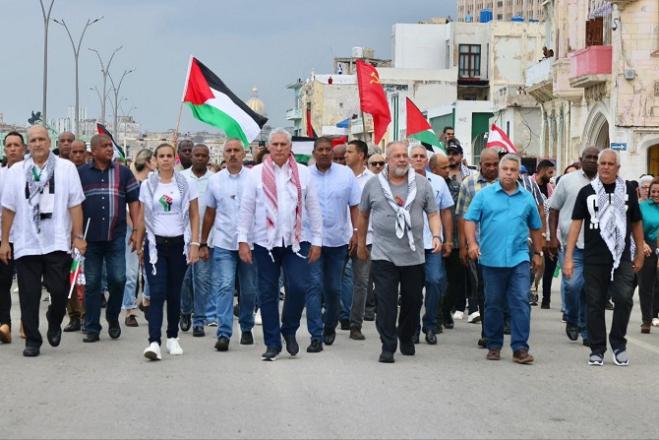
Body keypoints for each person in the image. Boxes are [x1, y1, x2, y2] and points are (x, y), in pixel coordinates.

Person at [0, 125, 86, 357]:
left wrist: (77, 237)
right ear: (29, 145)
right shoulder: (17, 171)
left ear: (50, 142)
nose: (37, 143)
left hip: (56, 241)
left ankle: (54, 319)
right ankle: (33, 340)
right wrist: (5, 241)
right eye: (33, 140)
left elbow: (75, 204)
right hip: (26, 241)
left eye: (42, 139)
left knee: (59, 290)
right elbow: (8, 209)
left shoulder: (66, 168)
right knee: (29, 294)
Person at [237, 128, 322, 361]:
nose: (279, 148)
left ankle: (289, 328)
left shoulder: (304, 174)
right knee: (267, 292)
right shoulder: (255, 174)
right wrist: (242, 240)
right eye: (275, 144)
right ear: (269, 147)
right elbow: (246, 209)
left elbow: (314, 208)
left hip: (297, 241)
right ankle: (272, 342)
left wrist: (318, 240)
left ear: (290, 146)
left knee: (298, 287)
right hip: (265, 242)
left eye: (283, 144)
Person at [357, 141, 441, 363]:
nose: (403, 159)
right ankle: (388, 344)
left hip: (413, 254)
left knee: (413, 301)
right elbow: (363, 215)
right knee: (385, 302)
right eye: (397, 156)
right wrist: (360, 243)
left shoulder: (422, 184)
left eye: (405, 155)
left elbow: (433, 213)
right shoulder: (373, 185)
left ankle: (405, 336)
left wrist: (435, 235)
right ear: (388, 160)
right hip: (383, 253)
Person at [564, 149, 644, 367]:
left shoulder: (627, 190)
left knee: (624, 298)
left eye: (611, 164)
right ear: (598, 166)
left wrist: (639, 251)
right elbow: (576, 224)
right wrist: (569, 257)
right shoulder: (587, 192)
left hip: (622, 257)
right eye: (603, 163)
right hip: (593, 257)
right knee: (594, 304)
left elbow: (636, 222)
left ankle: (618, 345)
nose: (606, 167)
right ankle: (597, 348)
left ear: (618, 168)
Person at [464, 154, 543, 364]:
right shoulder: (485, 195)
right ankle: (494, 345)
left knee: (520, 302)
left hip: (519, 258)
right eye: (505, 169)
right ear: (500, 171)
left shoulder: (526, 198)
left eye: (513, 170)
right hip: (490, 259)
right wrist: (472, 244)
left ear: (519, 173)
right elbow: (469, 220)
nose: (509, 173)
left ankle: (520, 348)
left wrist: (537, 252)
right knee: (493, 304)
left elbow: (536, 226)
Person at [135, 143, 200, 361]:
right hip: (156, 246)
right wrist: (138, 238)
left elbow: (194, 214)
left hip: (179, 245)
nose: (165, 159)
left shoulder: (185, 183)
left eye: (169, 156)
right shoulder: (148, 185)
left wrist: (195, 244)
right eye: (161, 156)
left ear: (175, 159)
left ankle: (173, 337)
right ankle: (154, 342)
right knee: (157, 292)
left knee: (174, 293)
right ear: (154, 160)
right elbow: (143, 215)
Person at [77, 135, 140, 343]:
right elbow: (74, 206)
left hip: (116, 236)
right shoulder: (82, 174)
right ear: (93, 151)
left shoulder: (123, 173)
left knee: (118, 279)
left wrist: (138, 230)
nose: (109, 149)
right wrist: (75, 235)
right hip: (91, 239)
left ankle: (112, 317)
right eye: (104, 146)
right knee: (93, 283)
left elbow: (134, 203)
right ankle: (92, 327)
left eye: (110, 146)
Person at [201, 139, 258, 351]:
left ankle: (246, 326)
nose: (233, 154)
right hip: (224, 242)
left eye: (236, 150)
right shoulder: (215, 181)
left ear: (244, 154)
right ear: (223, 155)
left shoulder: (254, 178)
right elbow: (209, 213)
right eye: (229, 151)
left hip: (250, 243)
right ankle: (224, 332)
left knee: (249, 289)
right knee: (224, 285)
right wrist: (203, 242)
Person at [306, 137, 361, 350]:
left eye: (328, 150)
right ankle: (315, 335)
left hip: (338, 240)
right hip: (311, 241)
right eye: (320, 149)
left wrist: (356, 232)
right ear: (314, 152)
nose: (324, 153)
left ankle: (330, 324)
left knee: (333, 288)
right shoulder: (305, 175)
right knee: (313, 286)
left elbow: (355, 205)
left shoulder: (345, 174)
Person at [548, 147, 599, 345]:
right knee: (571, 285)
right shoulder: (568, 181)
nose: (593, 161)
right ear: (581, 159)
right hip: (570, 243)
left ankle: (586, 331)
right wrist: (552, 237)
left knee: (589, 289)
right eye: (589, 157)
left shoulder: (605, 182)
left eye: (596, 158)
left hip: (596, 245)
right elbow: (553, 210)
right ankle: (571, 317)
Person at [456, 148, 500, 346]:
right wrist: (464, 246)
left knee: (503, 291)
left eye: (494, 164)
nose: (491, 168)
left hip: (505, 247)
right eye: (487, 164)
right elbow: (463, 217)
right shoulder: (469, 184)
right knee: (483, 289)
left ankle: (500, 324)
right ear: (480, 164)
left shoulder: (508, 183)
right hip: (480, 248)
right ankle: (487, 331)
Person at [410, 146, 453, 344]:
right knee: (413, 287)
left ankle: (430, 322)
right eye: (415, 156)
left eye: (422, 156)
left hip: (433, 242)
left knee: (435, 281)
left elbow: (445, 212)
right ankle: (413, 327)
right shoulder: (401, 181)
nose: (419, 159)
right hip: (409, 244)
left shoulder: (438, 181)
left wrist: (448, 239)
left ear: (427, 160)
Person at [180, 144, 214, 336]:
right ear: (191, 157)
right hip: (182, 237)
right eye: (196, 155)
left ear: (208, 158)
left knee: (201, 279)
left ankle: (199, 320)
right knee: (184, 279)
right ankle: (185, 310)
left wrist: (205, 241)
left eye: (203, 155)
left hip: (204, 239)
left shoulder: (214, 179)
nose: (200, 158)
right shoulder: (181, 178)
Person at [342, 139, 374, 340]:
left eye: (350, 151)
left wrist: (360, 236)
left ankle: (356, 324)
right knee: (332, 280)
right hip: (339, 238)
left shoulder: (373, 180)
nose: (346, 155)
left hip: (365, 238)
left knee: (361, 283)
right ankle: (337, 316)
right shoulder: (340, 176)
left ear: (361, 155)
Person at [122, 149, 155, 325]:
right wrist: (136, 231)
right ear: (148, 162)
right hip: (132, 230)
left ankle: (147, 299)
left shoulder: (156, 183)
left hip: (153, 231)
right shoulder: (132, 183)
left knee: (151, 270)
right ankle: (129, 309)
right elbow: (128, 210)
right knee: (131, 272)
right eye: (156, 159)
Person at [0, 132, 26, 344]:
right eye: (9, 145)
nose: (12, 149)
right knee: (3, 282)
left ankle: (26, 321)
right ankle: (4, 324)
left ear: (23, 148)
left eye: (16, 145)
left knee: (28, 283)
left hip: (27, 238)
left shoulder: (31, 174)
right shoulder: (0, 174)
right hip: (4, 238)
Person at [61, 139, 88, 333]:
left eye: (81, 152)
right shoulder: (63, 172)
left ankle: (87, 315)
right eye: (74, 152)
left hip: (86, 232)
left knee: (86, 278)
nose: (77, 155)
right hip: (64, 232)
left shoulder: (90, 173)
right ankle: (74, 317)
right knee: (68, 277)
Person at [636, 178, 659, 333]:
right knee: (646, 285)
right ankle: (647, 319)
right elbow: (635, 227)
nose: (656, 194)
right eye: (653, 192)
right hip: (648, 247)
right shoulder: (642, 207)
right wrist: (642, 243)